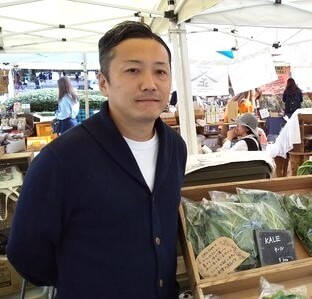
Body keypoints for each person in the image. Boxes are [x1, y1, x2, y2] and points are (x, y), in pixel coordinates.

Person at [7, 21, 187, 298]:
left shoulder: (175, 148)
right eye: (133, 70)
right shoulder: (61, 159)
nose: (150, 83)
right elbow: (27, 253)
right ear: (103, 82)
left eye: (160, 71)